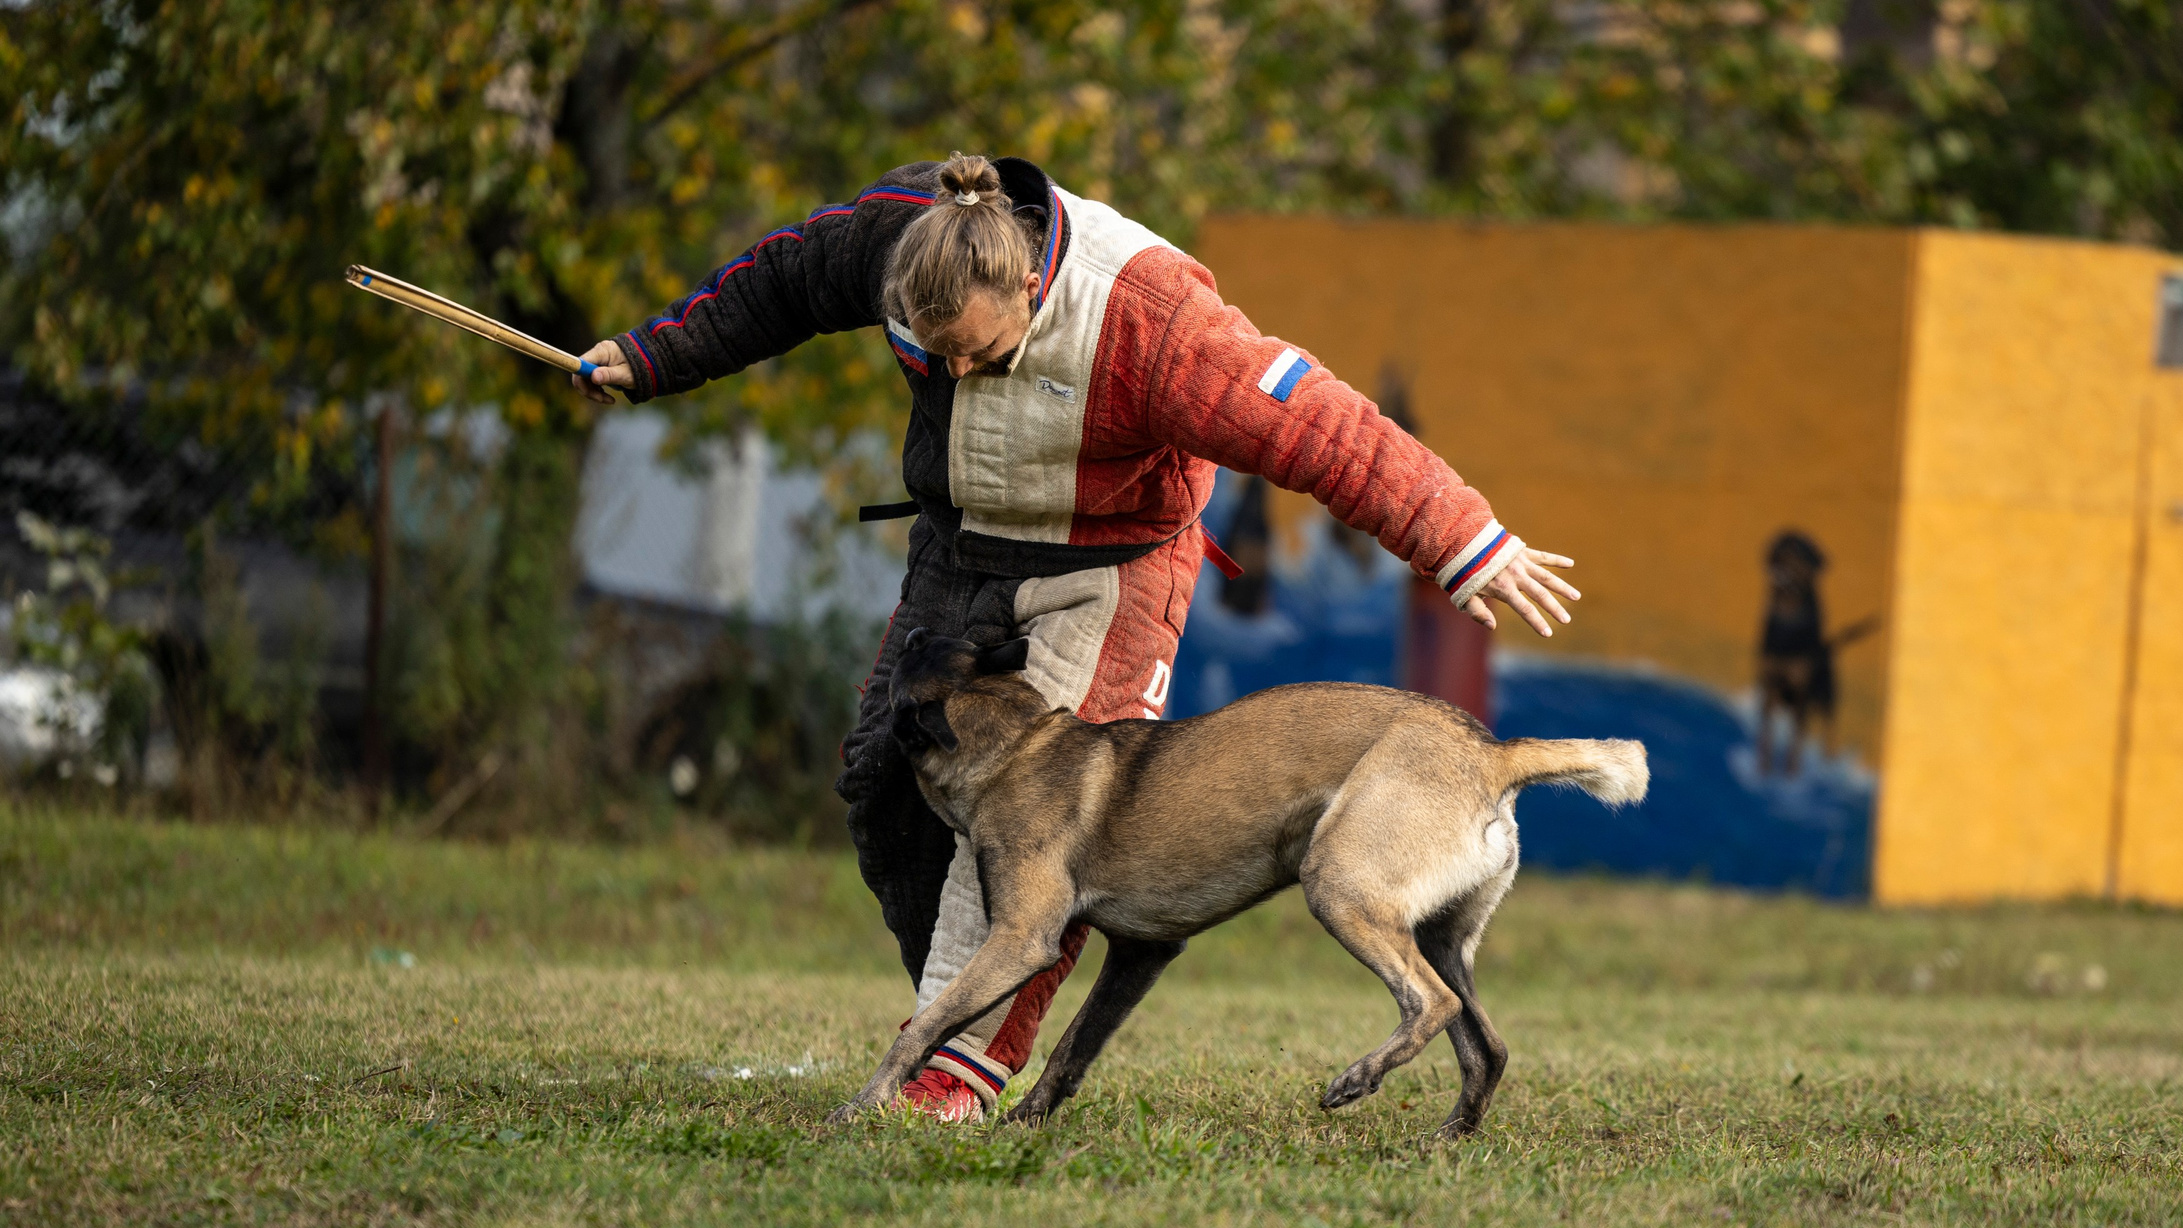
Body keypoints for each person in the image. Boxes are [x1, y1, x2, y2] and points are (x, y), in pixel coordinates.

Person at [571, 152, 1582, 1122]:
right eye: (935, 353)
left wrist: (1461, 539)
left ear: (1027, 284)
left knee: (1028, 833)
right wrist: (653, 355)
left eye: (980, 349)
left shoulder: (1151, 322)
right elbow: (779, 284)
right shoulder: (900, 242)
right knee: (883, 784)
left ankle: (958, 1074)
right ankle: (959, 1002)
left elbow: (1322, 427)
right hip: (961, 548)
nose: (957, 372)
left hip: (1111, 564)